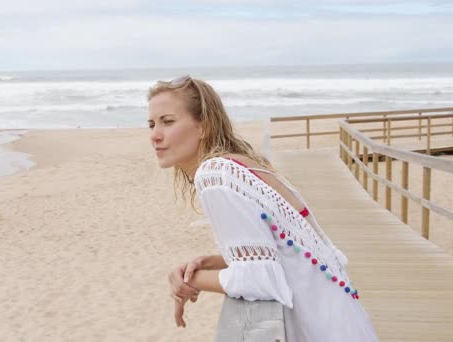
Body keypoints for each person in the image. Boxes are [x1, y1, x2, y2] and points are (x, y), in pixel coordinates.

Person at [148, 75, 378, 341]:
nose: (155, 135)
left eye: (168, 121)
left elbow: (259, 281)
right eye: (151, 124)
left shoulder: (214, 175)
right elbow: (281, 250)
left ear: (204, 127)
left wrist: (189, 282)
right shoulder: (238, 165)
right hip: (342, 320)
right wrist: (212, 262)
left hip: (321, 328)